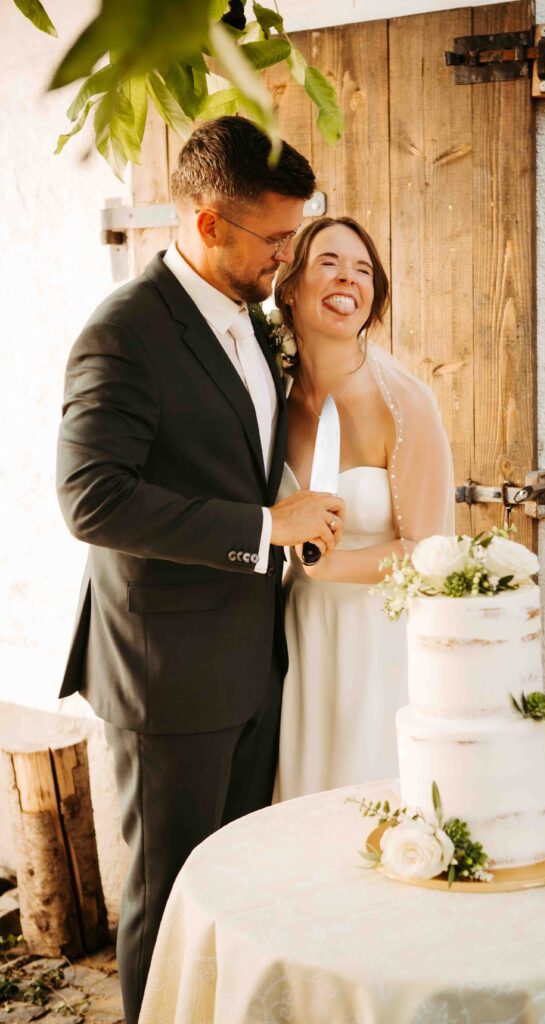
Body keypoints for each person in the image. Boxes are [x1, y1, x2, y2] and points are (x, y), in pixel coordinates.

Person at [56, 116, 345, 1024]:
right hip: (167, 675)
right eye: (274, 238)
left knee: (235, 889)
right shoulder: (124, 333)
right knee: (168, 901)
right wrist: (263, 526)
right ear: (208, 222)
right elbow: (91, 499)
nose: (286, 257)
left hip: (253, 658)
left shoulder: (253, 320)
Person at [273, 217, 454, 799]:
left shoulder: (403, 402)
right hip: (298, 637)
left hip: (377, 642)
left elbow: (425, 550)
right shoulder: (268, 394)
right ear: (290, 285)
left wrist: (328, 567)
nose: (347, 278)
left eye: (363, 270)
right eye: (328, 262)